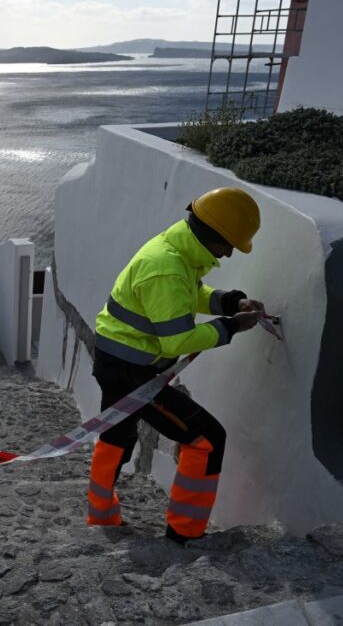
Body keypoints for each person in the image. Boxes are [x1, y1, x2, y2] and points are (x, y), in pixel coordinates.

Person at [86, 187, 264, 544]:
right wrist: (232, 326)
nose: (229, 254)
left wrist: (228, 301)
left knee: (117, 434)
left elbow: (186, 295)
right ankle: (184, 534)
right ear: (212, 235)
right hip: (131, 371)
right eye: (229, 244)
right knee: (207, 439)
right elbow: (177, 341)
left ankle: (101, 516)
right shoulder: (166, 268)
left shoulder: (178, 250)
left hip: (118, 360)